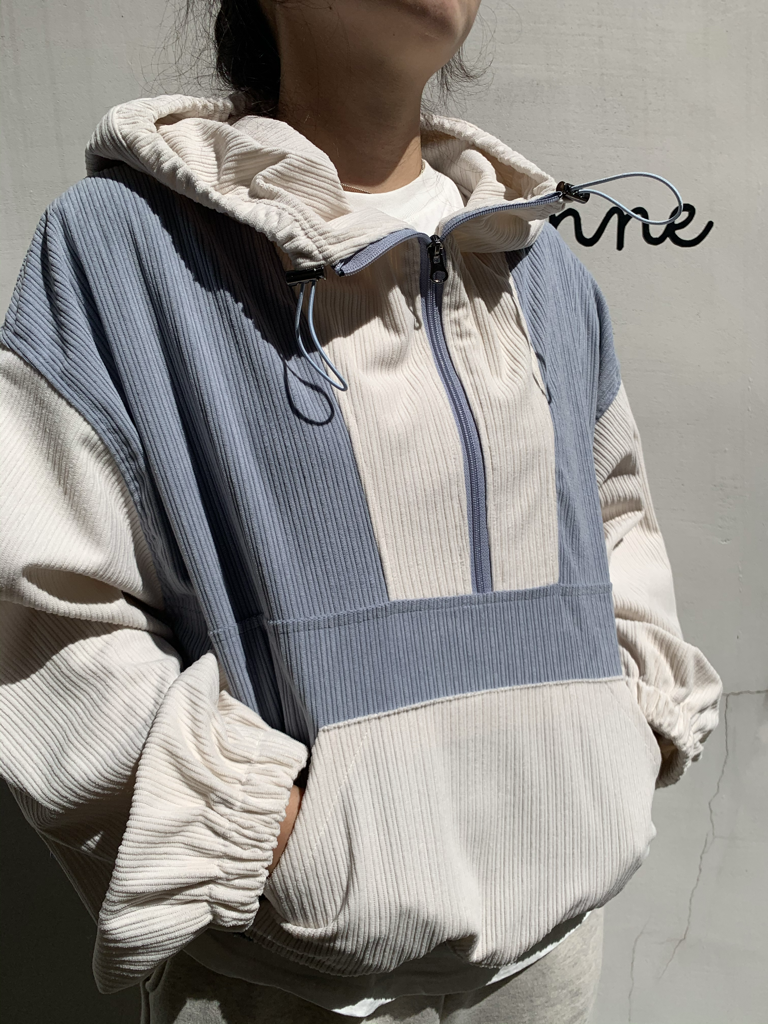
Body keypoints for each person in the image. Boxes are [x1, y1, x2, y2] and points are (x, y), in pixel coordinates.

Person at [0, 1, 723, 1022]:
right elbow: (45, 608)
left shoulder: (540, 270)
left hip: (551, 960)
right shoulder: (124, 252)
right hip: (288, 985)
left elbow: (618, 525)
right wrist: (278, 841)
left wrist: (622, 745)